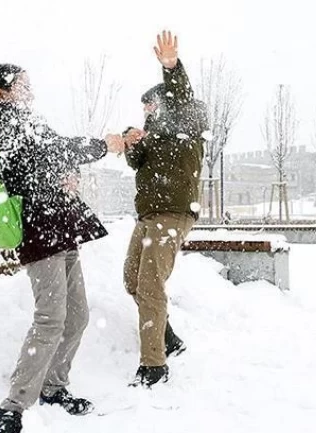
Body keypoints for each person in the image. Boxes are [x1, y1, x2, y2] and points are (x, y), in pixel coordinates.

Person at [0, 64, 125, 433]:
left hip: (61, 227)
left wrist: (69, 176)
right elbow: (52, 152)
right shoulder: (4, 121)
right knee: (50, 318)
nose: (30, 90)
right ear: (2, 93)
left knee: (77, 316)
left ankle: (53, 387)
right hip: (39, 230)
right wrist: (102, 146)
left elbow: (49, 159)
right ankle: (11, 407)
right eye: (22, 85)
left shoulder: (25, 119)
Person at [122, 31, 208, 387]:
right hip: (148, 216)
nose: (147, 112)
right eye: (144, 108)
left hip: (173, 214)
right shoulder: (152, 136)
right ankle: (167, 336)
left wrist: (171, 67)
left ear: (166, 103)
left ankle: (154, 365)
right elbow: (135, 163)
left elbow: (182, 97)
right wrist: (131, 141)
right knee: (132, 280)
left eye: (151, 106)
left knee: (150, 285)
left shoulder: (187, 122)